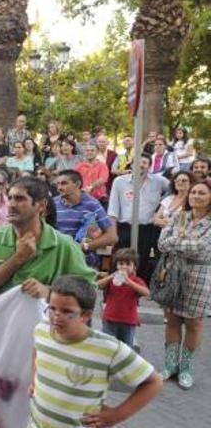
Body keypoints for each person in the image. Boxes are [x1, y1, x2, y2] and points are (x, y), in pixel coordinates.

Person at [30, 275, 161, 427]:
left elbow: (154, 382)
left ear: (86, 315)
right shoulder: (41, 330)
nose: (56, 317)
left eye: (67, 311)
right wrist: (34, 380)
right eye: (52, 308)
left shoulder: (108, 348)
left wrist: (117, 415)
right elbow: (37, 350)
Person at [0, 177, 96, 299]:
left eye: (20, 199)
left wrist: (50, 293)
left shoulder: (64, 245)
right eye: (10, 198)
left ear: (41, 205)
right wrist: (17, 259)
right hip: (2, 320)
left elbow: (88, 290)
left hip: (46, 320)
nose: (11, 204)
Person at [156, 179, 211, 390]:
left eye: (202, 193)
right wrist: (181, 243)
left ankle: (186, 368)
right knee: (172, 319)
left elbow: (202, 249)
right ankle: (170, 365)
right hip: (173, 274)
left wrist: (176, 242)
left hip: (200, 275)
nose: (196, 196)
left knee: (193, 323)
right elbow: (162, 244)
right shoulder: (179, 216)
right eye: (193, 192)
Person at [108, 154, 170, 282]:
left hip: (146, 229)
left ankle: (136, 295)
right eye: (138, 162)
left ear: (149, 166)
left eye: (145, 163)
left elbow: (175, 189)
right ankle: (112, 292)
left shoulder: (158, 181)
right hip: (125, 228)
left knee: (141, 262)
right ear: (131, 164)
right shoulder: (120, 181)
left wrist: (163, 206)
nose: (141, 165)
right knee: (118, 261)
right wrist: (113, 232)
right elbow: (113, 209)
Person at [53, 170, 117, 269]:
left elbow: (112, 237)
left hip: (85, 263)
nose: (59, 188)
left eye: (64, 183)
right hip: (58, 261)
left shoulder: (92, 204)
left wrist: (84, 246)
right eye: (57, 184)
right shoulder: (53, 204)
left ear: (77, 184)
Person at [97, 248, 148, 348]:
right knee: (108, 346)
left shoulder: (136, 280)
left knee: (126, 348)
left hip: (128, 321)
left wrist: (130, 282)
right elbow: (98, 285)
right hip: (110, 319)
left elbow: (146, 292)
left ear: (134, 267)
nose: (124, 267)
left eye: (128, 264)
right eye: (120, 264)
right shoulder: (112, 278)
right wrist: (110, 277)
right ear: (116, 265)